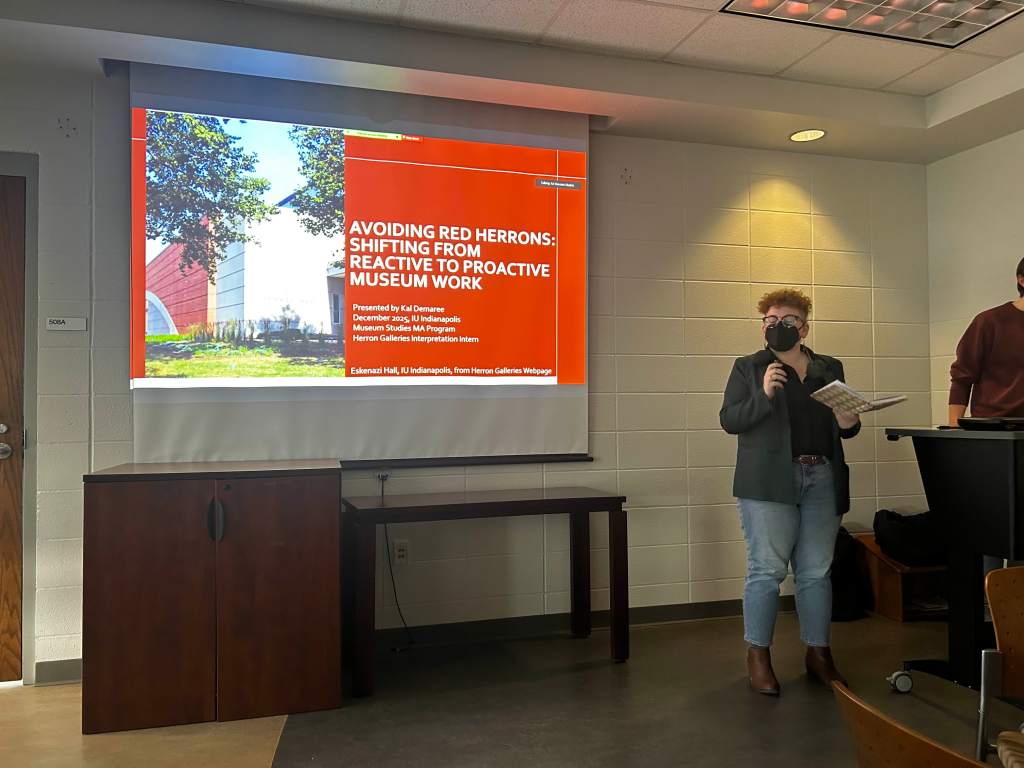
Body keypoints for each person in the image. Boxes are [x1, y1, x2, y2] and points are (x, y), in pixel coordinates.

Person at [720, 288, 861, 696]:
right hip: (767, 482)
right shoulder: (748, 367)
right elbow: (730, 420)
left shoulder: (827, 366)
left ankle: (819, 655)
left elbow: (845, 427)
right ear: (762, 326)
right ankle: (758, 657)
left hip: (821, 477)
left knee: (816, 572)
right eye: (770, 320)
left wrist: (849, 419)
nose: (778, 326)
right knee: (766, 571)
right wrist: (764, 394)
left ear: (804, 326)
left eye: (787, 321)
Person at [948, 257, 1024, 424]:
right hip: (995, 429)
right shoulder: (990, 322)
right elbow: (962, 376)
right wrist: (954, 429)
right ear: (1022, 281)